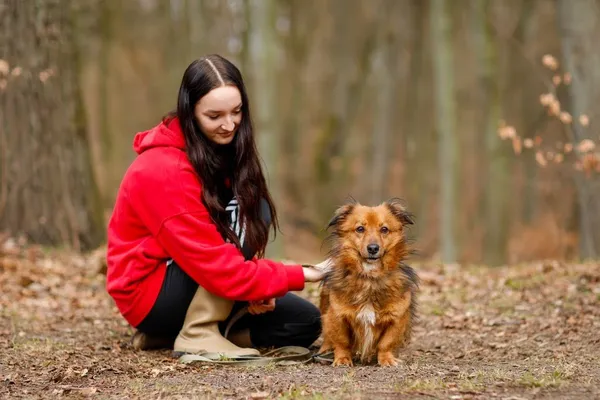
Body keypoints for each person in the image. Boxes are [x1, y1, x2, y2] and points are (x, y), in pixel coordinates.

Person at [106, 54, 327, 358]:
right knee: (252, 211)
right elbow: (215, 264)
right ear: (189, 111)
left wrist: (259, 286)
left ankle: (169, 337)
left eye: (236, 112)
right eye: (214, 116)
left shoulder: (222, 149)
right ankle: (197, 333)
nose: (229, 124)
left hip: (203, 271)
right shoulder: (161, 169)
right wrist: (300, 274)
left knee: (303, 323)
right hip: (152, 290)